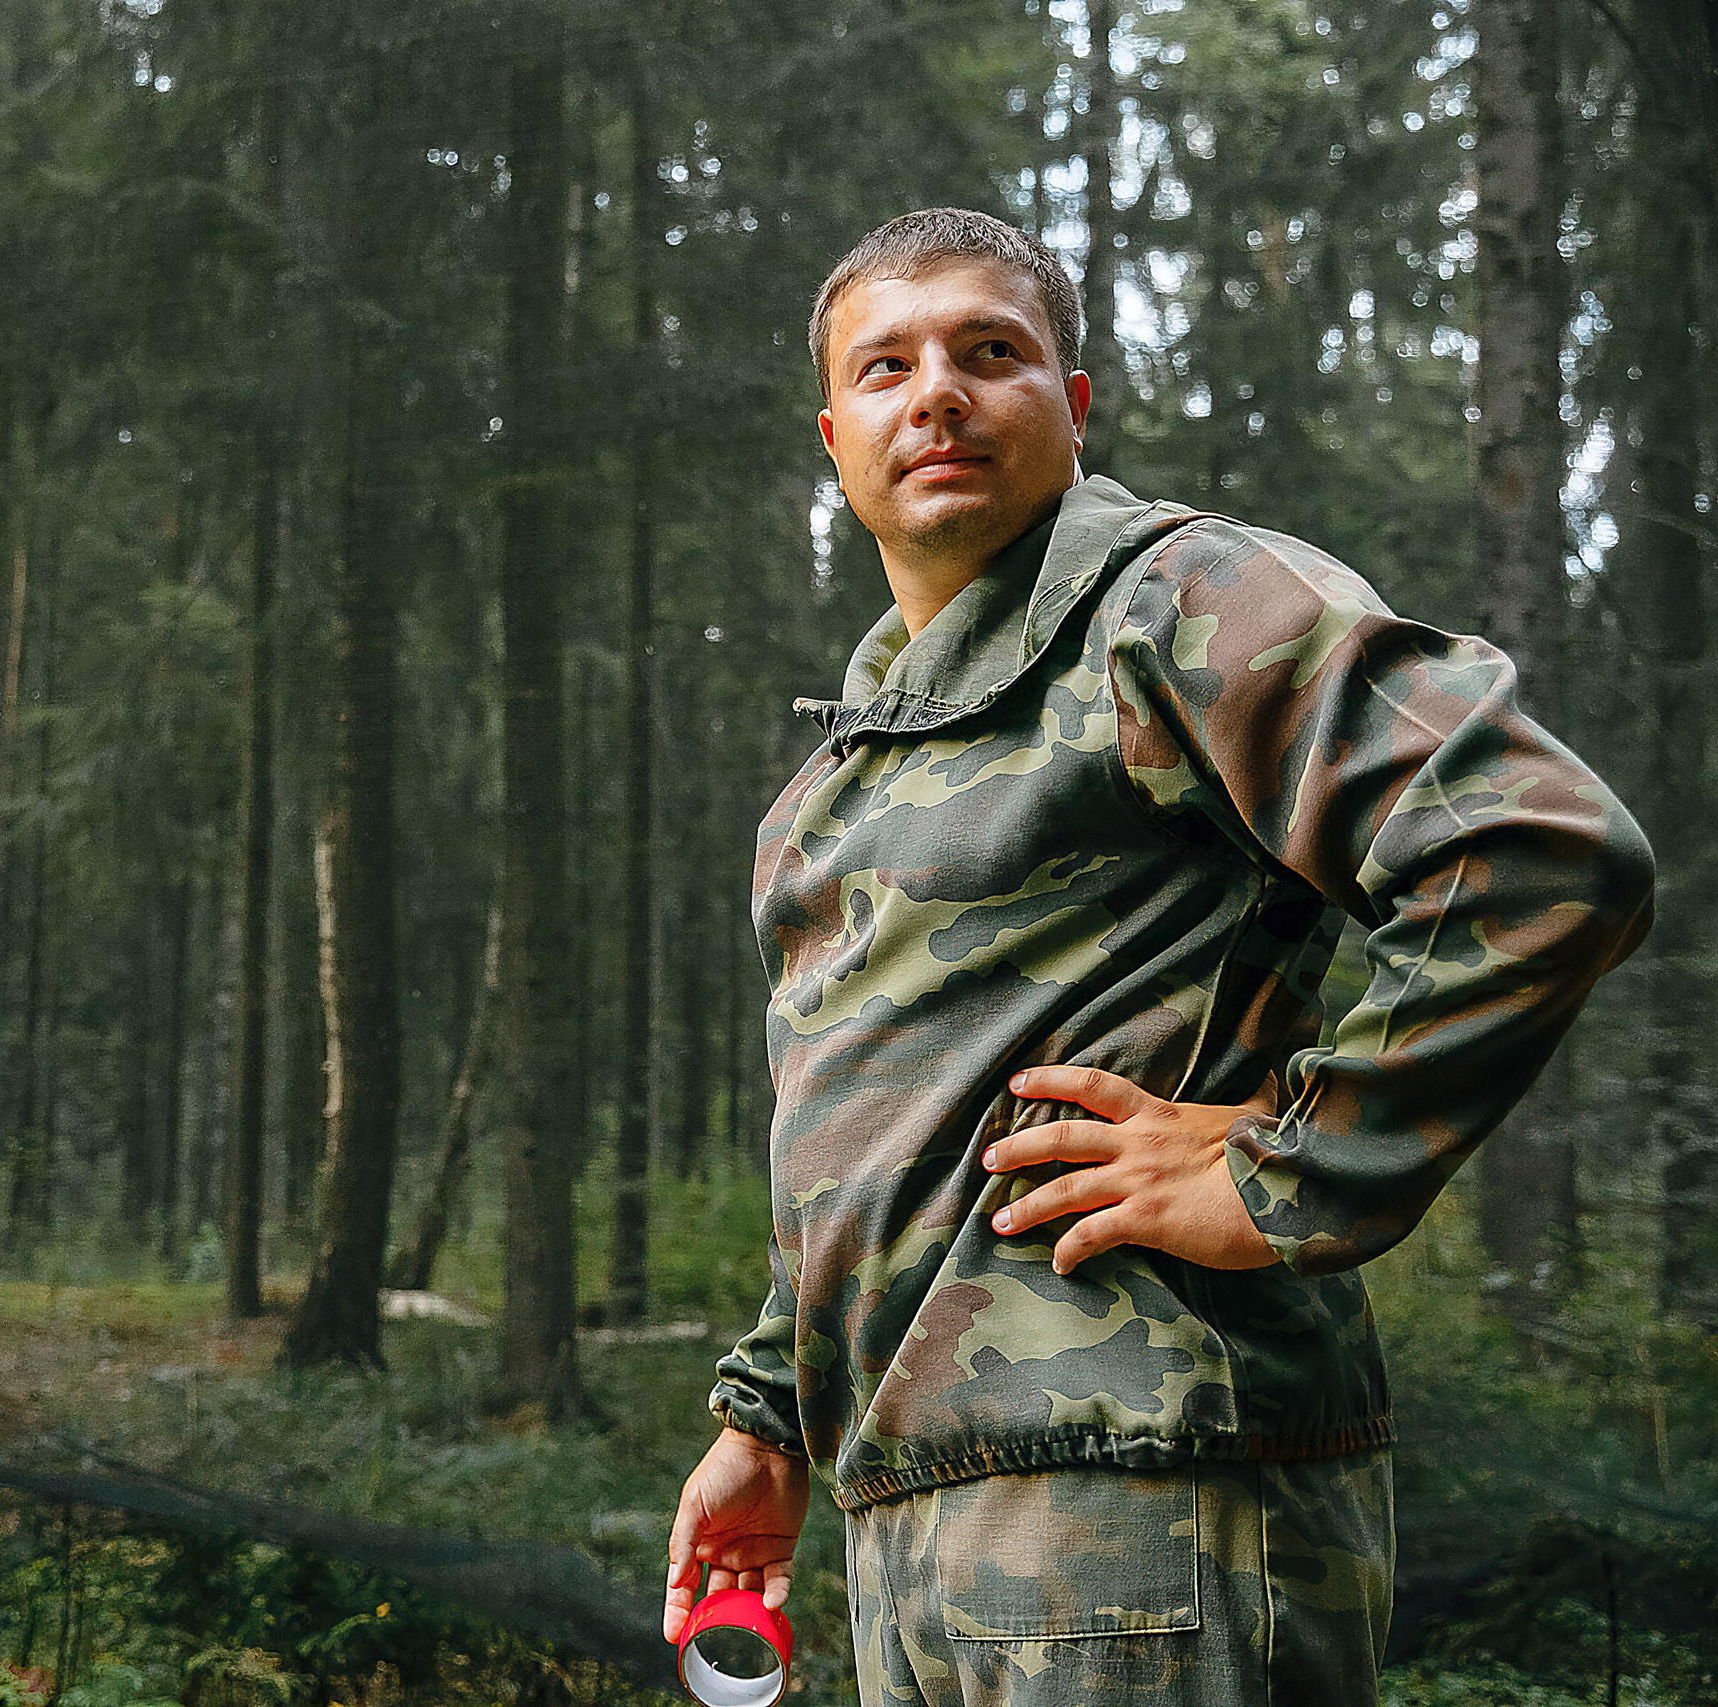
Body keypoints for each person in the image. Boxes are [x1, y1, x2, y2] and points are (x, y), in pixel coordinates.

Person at [660, 208, 1653, 1705]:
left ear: (1072, 403)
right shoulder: (837, 782)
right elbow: (866, 1132)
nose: (937, 395)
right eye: (886, 367)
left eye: (990, 352)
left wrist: (1288, 1166)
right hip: (907, 1510)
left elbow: (1535, 847)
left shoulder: (1172, 605)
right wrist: (768, 1419)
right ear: (833, 437)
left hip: (1142, 1499)